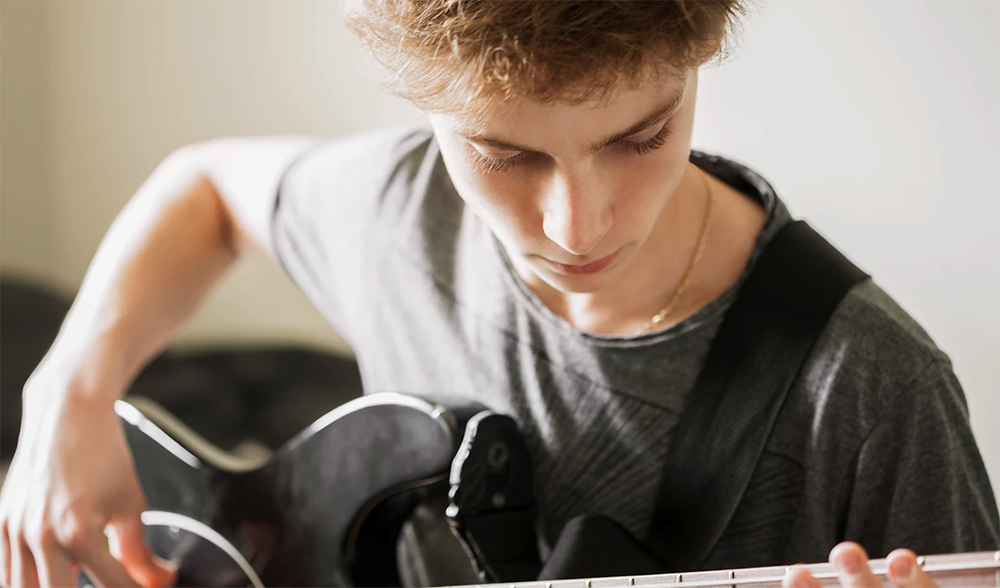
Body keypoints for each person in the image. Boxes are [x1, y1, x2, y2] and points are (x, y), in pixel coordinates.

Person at [1, 1, 998, 588]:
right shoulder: (398, 212)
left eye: (638, 138)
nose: (577, 227)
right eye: (505, 153)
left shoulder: (871, 389)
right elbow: (207, 190)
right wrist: (67, 394)